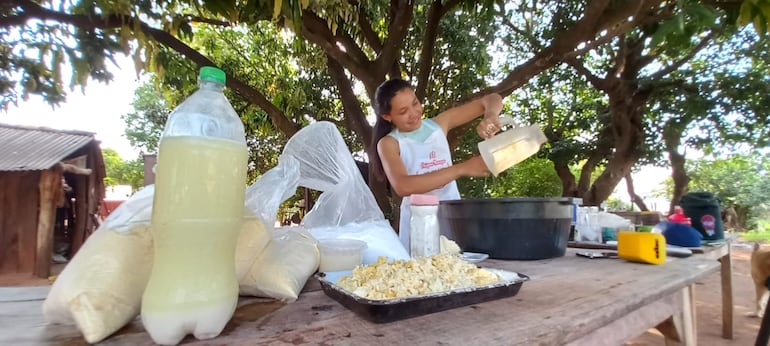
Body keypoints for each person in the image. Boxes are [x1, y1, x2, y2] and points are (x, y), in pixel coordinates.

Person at [369, 78, 504, 251]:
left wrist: (491, 115)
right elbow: (403, 185)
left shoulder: (439, 125)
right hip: (417, 226)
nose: (414, 113)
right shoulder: (389, 143)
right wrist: (462, 168)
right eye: (403, 111)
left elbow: (491, 99)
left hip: (452, 218)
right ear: (387, 116)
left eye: (415, 103)